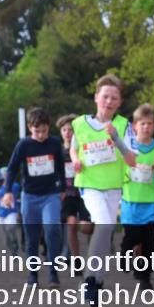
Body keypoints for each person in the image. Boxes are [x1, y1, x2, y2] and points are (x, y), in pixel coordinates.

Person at [69, 74, 137, 304]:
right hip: (89, 185)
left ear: (119, 102)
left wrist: (117, 139)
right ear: (96, 97)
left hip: (113, 187)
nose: (108, 101)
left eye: (114, 98)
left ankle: (97, 279)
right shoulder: (79, 123)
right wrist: (75, 160)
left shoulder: (124, 125)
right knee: (105, 224)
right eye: (105, 96)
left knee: (106, 231)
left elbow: (132, 160)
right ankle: (90, 279)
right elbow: (73, 149)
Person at [2, 107, 66, 285]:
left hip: (51, 195)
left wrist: (62, 189)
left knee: (53, 228)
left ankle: (53, 272)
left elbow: (60, 167)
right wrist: (8, 191)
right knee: (31, 236)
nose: (41, 135)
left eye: (44, 131)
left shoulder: (54, 143)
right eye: (37, 131)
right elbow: (12, 168)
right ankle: (33, 274)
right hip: (30, 196)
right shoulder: (23, 145)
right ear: (30, 128)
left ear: (49, 128)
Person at [120, 104, 154, 289]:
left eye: (149, 124)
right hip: (130, 200)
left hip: (150, 202)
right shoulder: (127, 148)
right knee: (132, 237)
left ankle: (144, 278)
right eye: (142, 124)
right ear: (135, 126)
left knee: (148, 243)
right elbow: (119, 170)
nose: (146, 127)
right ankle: (124, 255)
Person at [57, 114, 93, 275]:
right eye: (64, 130)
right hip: (68, 193)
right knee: (71, 224)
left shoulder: (83, 148)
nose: (67, 133)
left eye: (71, 130)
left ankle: (92, 258)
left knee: (86, 228)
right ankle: (77, 260)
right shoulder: (58, 151)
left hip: (84, 192)